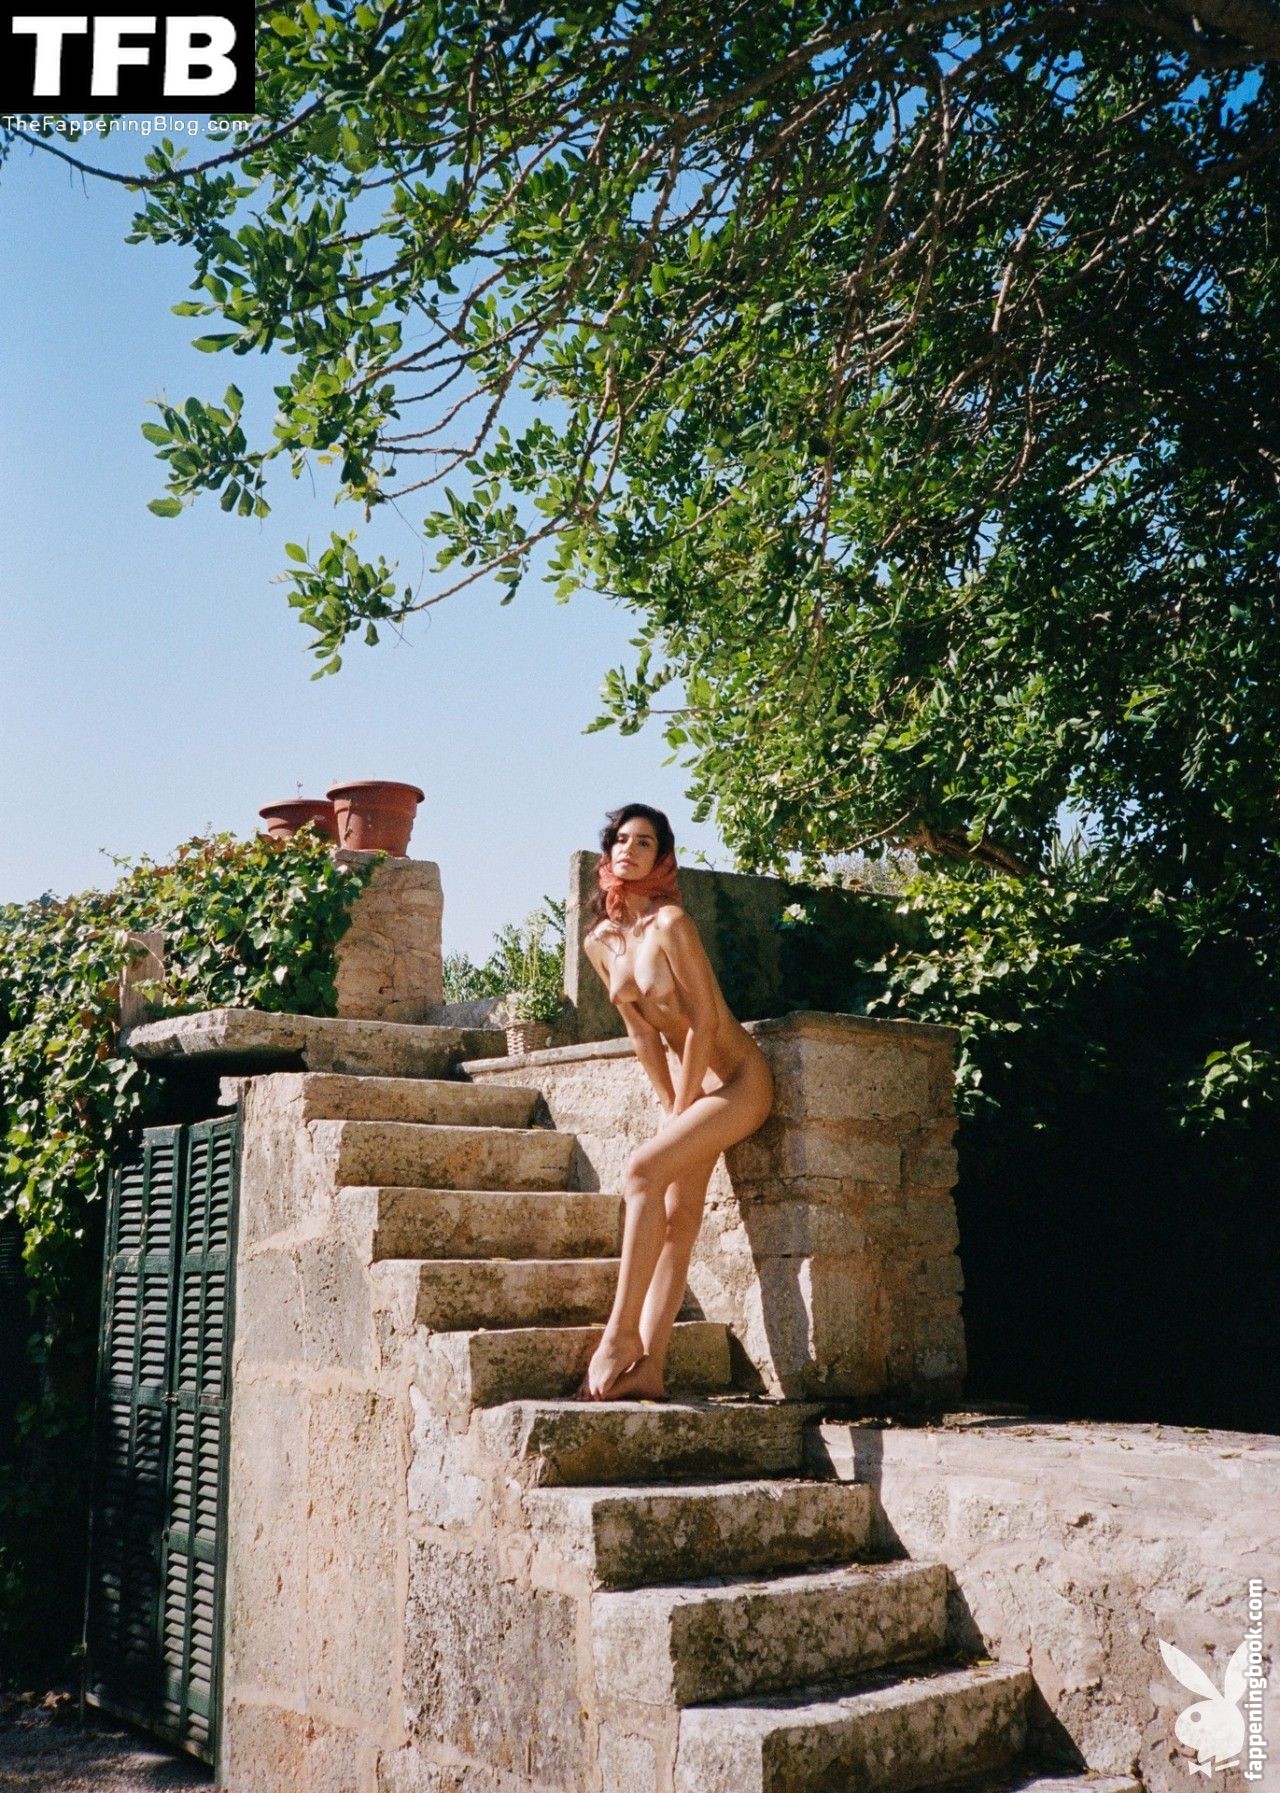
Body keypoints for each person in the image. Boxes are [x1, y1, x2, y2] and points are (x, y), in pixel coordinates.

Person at [576, 803, 775, 1401]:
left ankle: (620, 1336)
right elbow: (641, 1031)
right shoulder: (600, 942)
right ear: (608, 849)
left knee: (642, 1171)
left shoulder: (672, 924)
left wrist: (684, 1106)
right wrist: (669, 1102)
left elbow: (705, 1023)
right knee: (677, 1221)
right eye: (621, 839)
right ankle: (651, 1369)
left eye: (645, 842)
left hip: (738, 1083)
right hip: (692, 1090)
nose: (629, 849)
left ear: (661, 857)